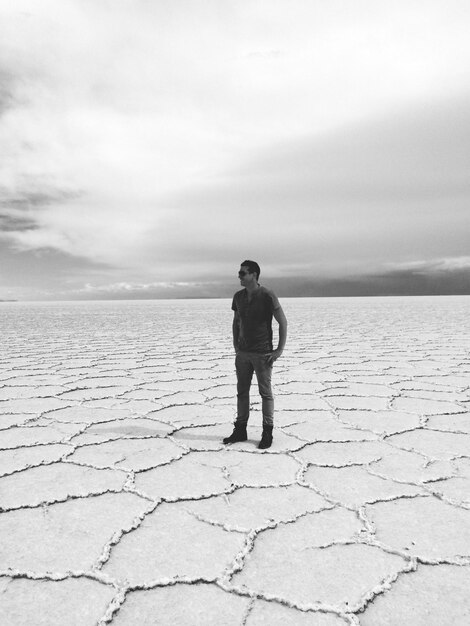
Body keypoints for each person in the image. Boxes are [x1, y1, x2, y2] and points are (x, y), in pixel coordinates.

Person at [223, 260, 287, 449]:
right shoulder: (238, 297)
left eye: (243, 273)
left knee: (265, 393)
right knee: (242, 392)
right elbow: (236, 322)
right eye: (240, 273)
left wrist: (278, 350)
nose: (239, 276)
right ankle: (240, 429)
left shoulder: (267, 295)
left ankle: (267, 432)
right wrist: (236, 345)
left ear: (254, 275)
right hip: (243, 354)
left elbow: (283, 322)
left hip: (262, 354)